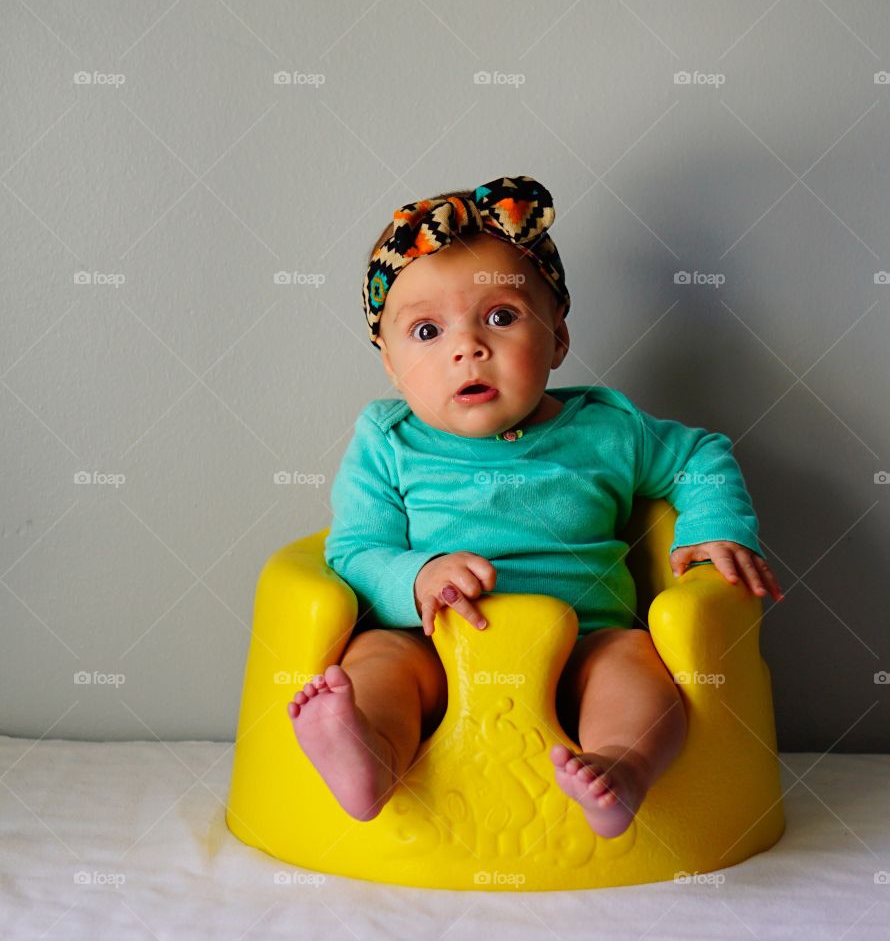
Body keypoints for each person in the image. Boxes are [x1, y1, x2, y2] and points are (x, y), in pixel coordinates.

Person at [287, 176, 784, 839]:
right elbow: (352, 552)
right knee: (376, 665)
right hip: (431, 646)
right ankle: (366, 754)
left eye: (501, 316)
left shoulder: (605, 427)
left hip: (584, 644)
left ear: (557, 337)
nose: (468, 347)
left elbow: (699, 454)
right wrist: (418, 575)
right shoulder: (388, 441)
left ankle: (619, 769)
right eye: (428, 330)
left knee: (636, 671)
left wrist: (714, 526)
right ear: (390, 363)